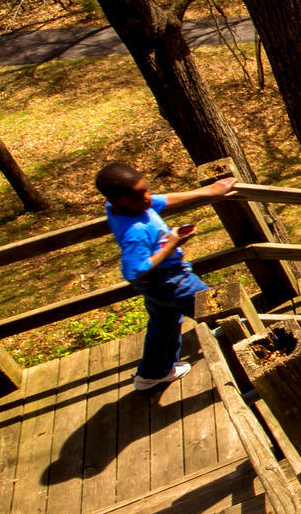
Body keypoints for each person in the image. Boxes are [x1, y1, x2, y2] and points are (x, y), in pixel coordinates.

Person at [96, 162, 238, 393]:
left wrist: (209, 191)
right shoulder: (135, 231)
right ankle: (267, 351)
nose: (146, 199)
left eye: (146, 190)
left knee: (163, 325)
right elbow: (133, 270)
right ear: (117, 200)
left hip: (154, 286)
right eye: (137, 197)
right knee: (224, 309)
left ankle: (152, 374)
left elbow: (163, 200)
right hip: (169, 281)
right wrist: (172, 243)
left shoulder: (125, 207)